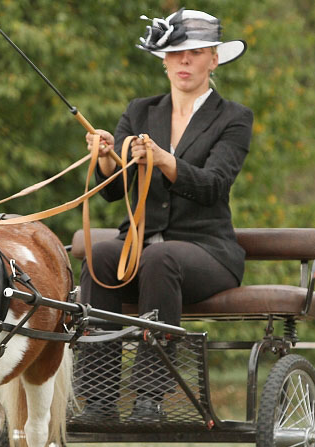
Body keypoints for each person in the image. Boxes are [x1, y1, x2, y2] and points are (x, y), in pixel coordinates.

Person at [79, 8, 253, 420]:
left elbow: (214, 185)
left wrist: (163, 160)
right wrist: (106, 159)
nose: (185, 61)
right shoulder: (139, 112)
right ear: (163, 60)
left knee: (161, 257)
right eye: (176, 54)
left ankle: (149, 396)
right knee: (99, 256)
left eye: (195, 52)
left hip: (206, 254)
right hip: (141, 249)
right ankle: (99, 399)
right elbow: (115, 190)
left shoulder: (234, 118)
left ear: (214, 58)